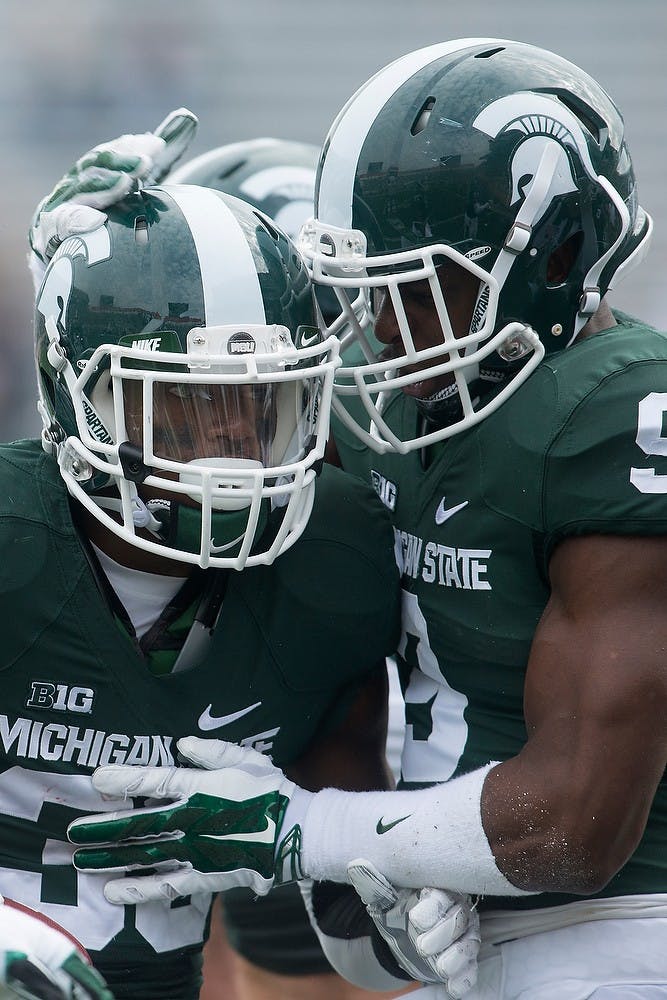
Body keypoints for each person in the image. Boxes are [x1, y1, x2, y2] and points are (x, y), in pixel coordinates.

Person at [60, 38, 667, 1000]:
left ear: (552, 255)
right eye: (367, 288)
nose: (381, 328)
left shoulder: (616, 414)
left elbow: (576, 827)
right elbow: (176, 455)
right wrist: (84, 279)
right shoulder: (412, 399)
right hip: (456, 912)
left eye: (416, 288)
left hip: (619, 929)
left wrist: (307, 832)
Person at [25, 118, 427, 1000]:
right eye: (179, 408)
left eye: (258, 408)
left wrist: (397, 904)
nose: (225, 451)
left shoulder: (340, 560)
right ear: (77, 397)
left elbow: (328, 939)